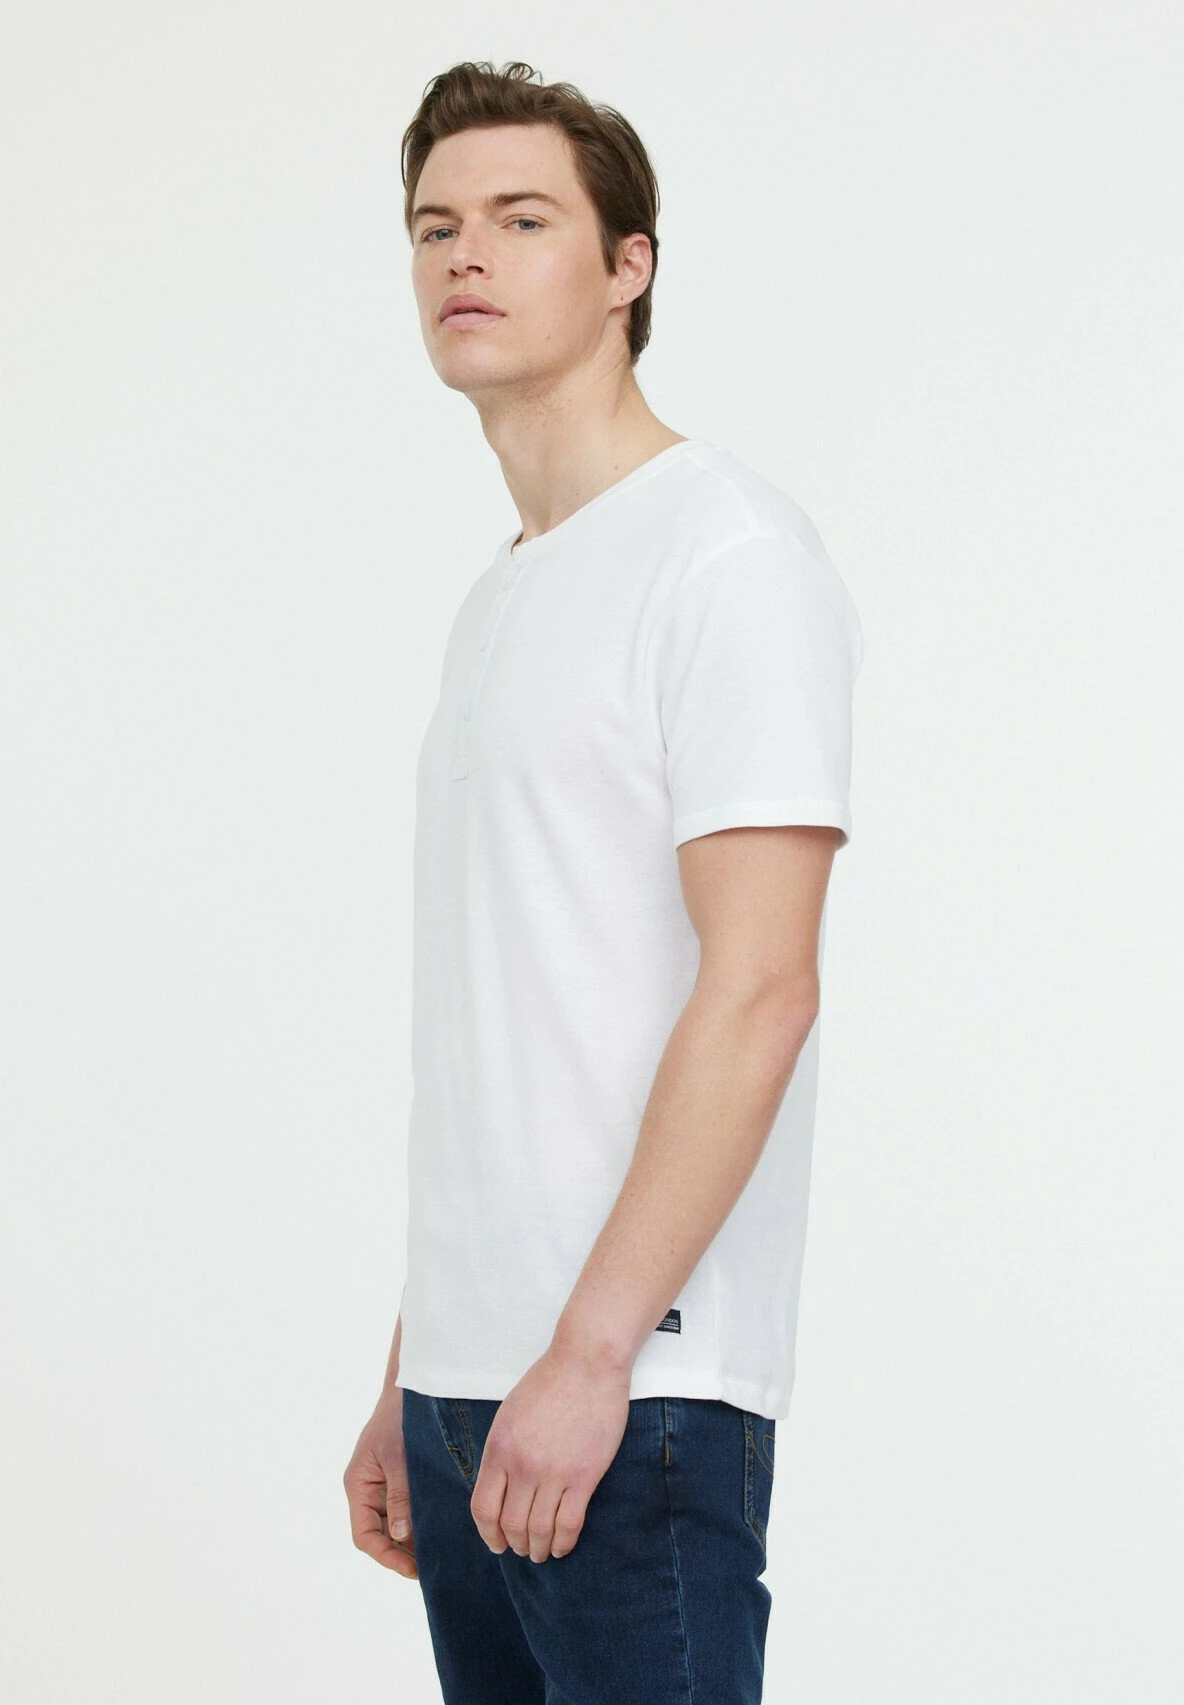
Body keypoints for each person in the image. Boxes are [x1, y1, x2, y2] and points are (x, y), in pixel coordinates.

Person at [343, 58, 864, 1705]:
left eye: (520, 219)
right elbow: (508, 1022)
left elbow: (763, 988)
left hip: (633, 1396)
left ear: (629, 265)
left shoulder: (725, 555)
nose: (463, 256)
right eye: (435, 225)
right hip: (473, 1395)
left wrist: (586, 1356)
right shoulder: (503, 594)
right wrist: (418, 1363)